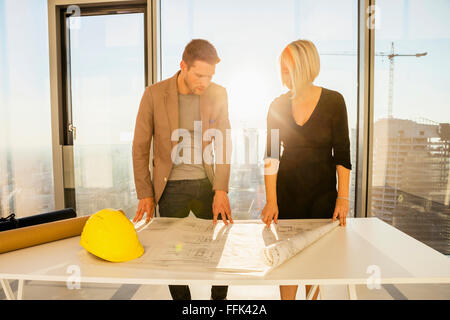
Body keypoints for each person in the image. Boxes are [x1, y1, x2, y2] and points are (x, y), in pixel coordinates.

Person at [131, 39, 233, 300]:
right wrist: (145, 193)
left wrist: (221, 189)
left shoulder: (218, 93)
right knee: (171, 255)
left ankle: (217, 302)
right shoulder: (154, 94)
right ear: (183, 67)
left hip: (207, 183)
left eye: (210, 76)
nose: (205, 81)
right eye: (199, 75)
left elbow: (224, 142)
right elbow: (140, 146)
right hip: (170, 185)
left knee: (220, 245)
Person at [261, 39, 352, 300]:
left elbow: (342, 155)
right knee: (286, 262)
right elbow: (270, 156)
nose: (283, 75)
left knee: (315, 265)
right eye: (281, 69)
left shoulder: (335, 101)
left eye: (287, 69)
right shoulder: (277, 105)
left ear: (303, 66)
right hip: (287, 193)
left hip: (322, 195)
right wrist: (271, 201)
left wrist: (343, 198)